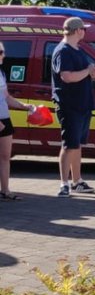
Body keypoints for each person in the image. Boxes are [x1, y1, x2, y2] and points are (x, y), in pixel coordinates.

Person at [51, 16, 95, 196]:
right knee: (69, 145)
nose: (85, 32)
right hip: (69, 105)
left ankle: (77, 181)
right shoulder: (63, 51)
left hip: (82, 104)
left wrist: (92, 73)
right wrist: (87, 71)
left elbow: (84, 73)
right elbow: (67, 76)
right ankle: (64, 184)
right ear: (78, 31)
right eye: (83, 29)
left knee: (77, 144)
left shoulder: (78, 49)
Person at [0, 41, 36, 200]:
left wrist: (24, 106)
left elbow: (6, 97)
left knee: (5, 156)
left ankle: (5, 190)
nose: (4, 55)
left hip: (4, 118)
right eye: (1, 52)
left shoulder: (1, 73)